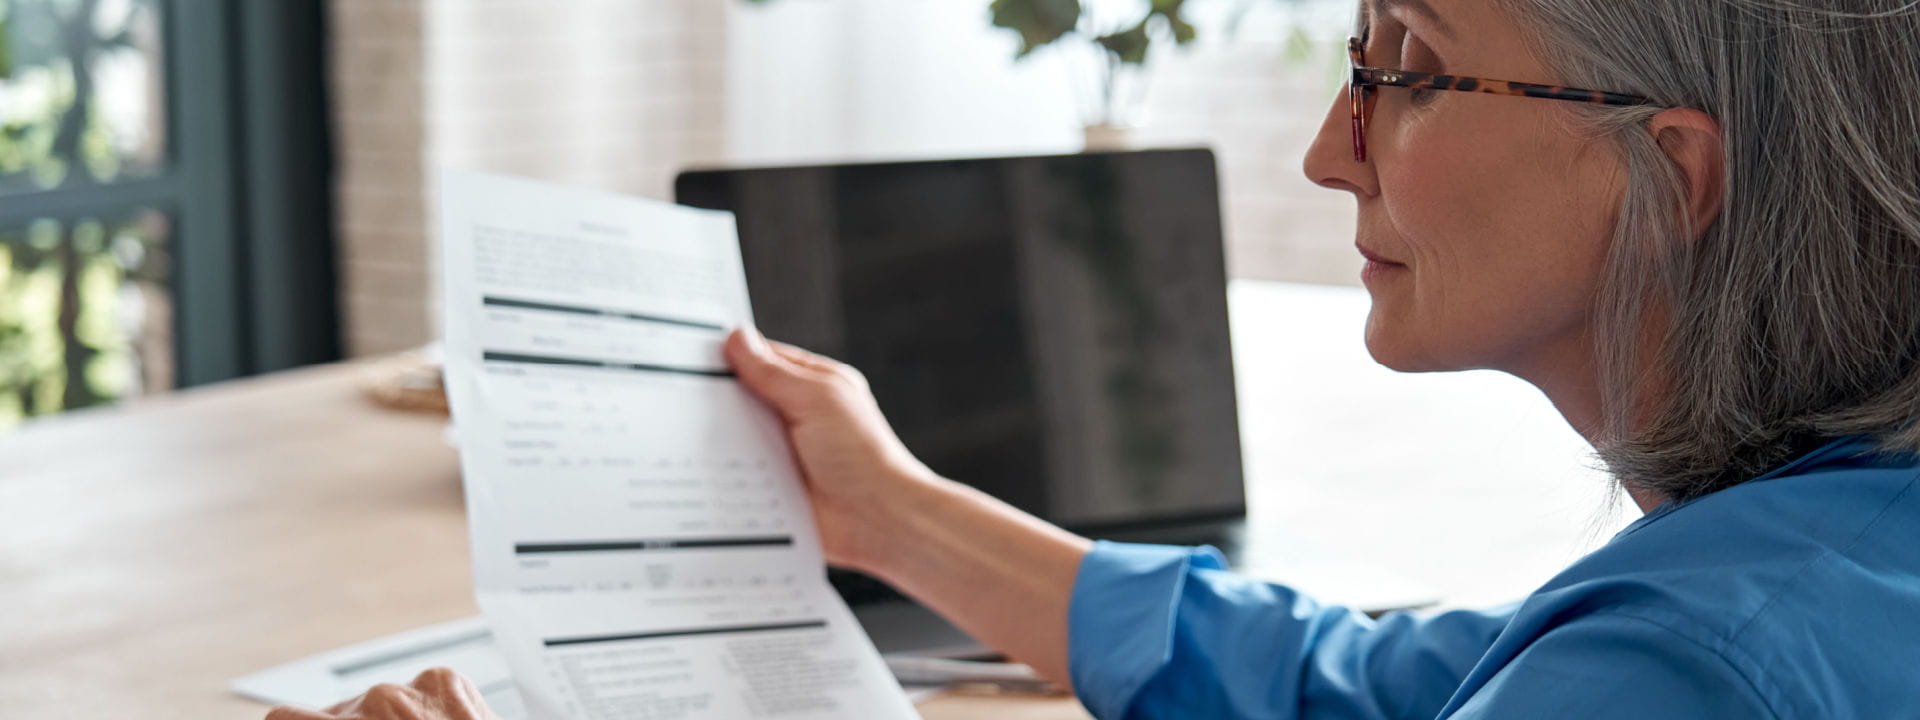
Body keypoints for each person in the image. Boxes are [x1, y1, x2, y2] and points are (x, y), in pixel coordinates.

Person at [277, 0, 1920, 717]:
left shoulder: (1688, 676)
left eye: (1411, 66)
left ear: (1671, 176)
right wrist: (895, 512)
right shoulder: (1797, 568)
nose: (1326, 152)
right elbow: (1369, 690)